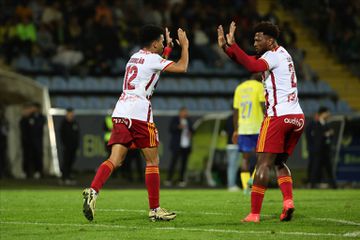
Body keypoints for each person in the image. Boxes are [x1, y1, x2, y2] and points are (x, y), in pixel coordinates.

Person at [82, 25, 189, 222]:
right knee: (152, 161)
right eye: (162, 42)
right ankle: (155, 209)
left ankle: (93, 190)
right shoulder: (153, 59)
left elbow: (153, 67)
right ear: (155, 43)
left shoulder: (133, 57)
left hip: (121, 111)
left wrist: (167, 50)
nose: (164, 44)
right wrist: (185, 46)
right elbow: (182, 67)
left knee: (115, 160)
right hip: (140, 113)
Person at [218, 21, 305, 222]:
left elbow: (251, 65)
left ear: (270, 40)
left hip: (278, 116)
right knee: (279, 161)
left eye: (258, 39)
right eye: (254, 39)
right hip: (297, 117)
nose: (255, 43)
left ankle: (254, 213)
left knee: (263, 163)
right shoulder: (283, 54)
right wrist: (226, 48)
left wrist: (233, 45)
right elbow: (248, 59)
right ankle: (288, 202)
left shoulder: (272, 56)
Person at [232, 73, 265, 194]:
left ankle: (246, 187)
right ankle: (252, 180)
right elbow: (262, 106)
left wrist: (236, 130)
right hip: (258, 127)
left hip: (243, 128)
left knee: (245, 159)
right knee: (262, 158)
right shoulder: (260, 87)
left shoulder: (239, 88)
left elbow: (236, 111)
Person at [165, 107, 193, 187]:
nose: (186, 113)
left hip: (186, 145)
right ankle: (169, 179)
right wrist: (178, 127)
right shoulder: (175, 119)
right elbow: (171, 129)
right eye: (184, 112)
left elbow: (192, 129)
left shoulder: (188, 120)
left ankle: (181, 180)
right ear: (180, 112)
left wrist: (190, 133)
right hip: (177, 145)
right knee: (173, 163)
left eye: (186, 112)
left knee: (184, 164)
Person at [309, 107, 337, 189]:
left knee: (329, 168)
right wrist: (326, 134)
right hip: (318, 150)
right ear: (323, 113)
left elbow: (329, 135)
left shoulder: (326, 123)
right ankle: (312, 185)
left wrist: (329, 134)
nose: (329, 114)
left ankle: (333, 185)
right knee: (316, 167)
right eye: (327, 112)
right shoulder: (316, 124)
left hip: (326, 150)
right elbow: (318, 137)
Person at [60, 107, 80, 184]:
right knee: (66, 161)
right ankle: (64, 177)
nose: (71, 115)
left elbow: (77, 134)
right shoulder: (64, 123)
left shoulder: (75, 123)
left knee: (71, 161)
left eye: (72, 113)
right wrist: (65, 144)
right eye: (70, 113)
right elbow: (62, 135)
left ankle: (68, 176)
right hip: (67, 146)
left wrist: (76, 144)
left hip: (73, 147)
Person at [224, 112, 240, 191]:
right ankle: (231, 185)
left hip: (228, 145)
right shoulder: (239, 118)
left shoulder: (228, 118)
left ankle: (231, 184)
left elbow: (224, 131)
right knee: (233, 166)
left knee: (231, 165)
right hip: (236, 144)